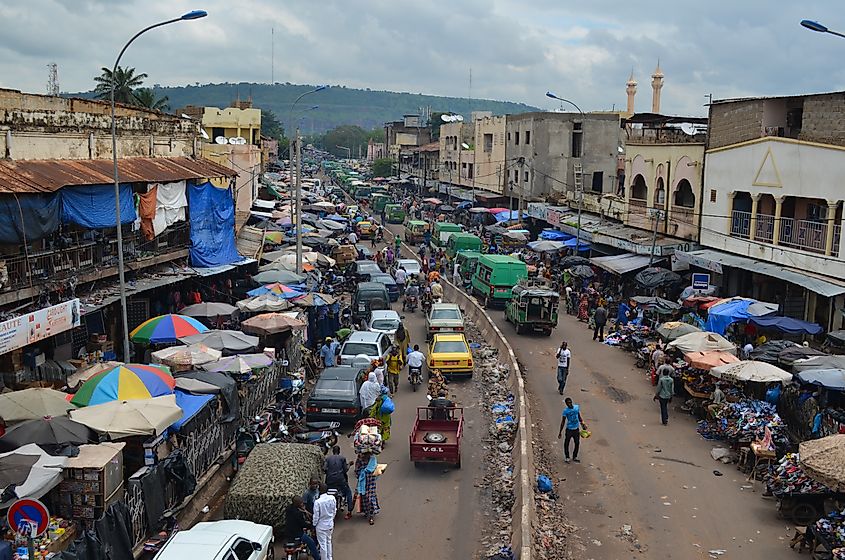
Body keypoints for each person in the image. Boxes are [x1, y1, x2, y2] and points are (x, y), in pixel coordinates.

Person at [324, 446, 353, 519]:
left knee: (324, 492)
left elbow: (324, 469)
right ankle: (349, 511)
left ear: (333, 451)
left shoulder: (327, 459)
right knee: (348, 492)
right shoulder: (342, 458)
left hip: (329, 480)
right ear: (339, 451)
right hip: (340, 480)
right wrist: (349, 464)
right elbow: (345, 470)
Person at [557, 398, 586, 463]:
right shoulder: (565, 411)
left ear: (572, 402)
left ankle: (574, 456)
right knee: (566, 443)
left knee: (577, 443)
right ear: (566, 404)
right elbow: (563, 422)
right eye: (568, 403)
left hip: (576, 429)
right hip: (569, 429)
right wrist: (560, 432)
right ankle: (567, 457)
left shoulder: (576, 407)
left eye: (570, 402)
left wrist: (583, 424)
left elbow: (579, 416)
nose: (569, 404)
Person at [312, 483, 337, 560]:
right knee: (328, 542)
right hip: (330, 524)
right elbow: (334, 511)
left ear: (319, 490)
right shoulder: (332, 498)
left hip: (321, 526)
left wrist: (314, 525)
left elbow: (316, 516)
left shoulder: (318, 502)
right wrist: (331, 519)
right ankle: (330, 558)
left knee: (322, 545)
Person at [355, 452, 380, 525]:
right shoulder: (360, 459)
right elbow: (356, 469)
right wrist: (361, 474)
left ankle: (371, 515)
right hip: (363, 481)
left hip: (371, 480)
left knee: (370, 497)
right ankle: (366, 512)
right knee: (364, 496)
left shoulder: (372, 459)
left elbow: (375, 468)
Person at [654, 357, 675, 425]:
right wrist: (671, 396)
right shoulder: (671, 378)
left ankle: (664, 419)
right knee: (665, 406)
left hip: (662, 395)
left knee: (663, 407)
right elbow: (672, 389)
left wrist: (656, 395)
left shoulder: (662, 379)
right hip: (668, 395)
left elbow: (659, 388)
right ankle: (665, 418)